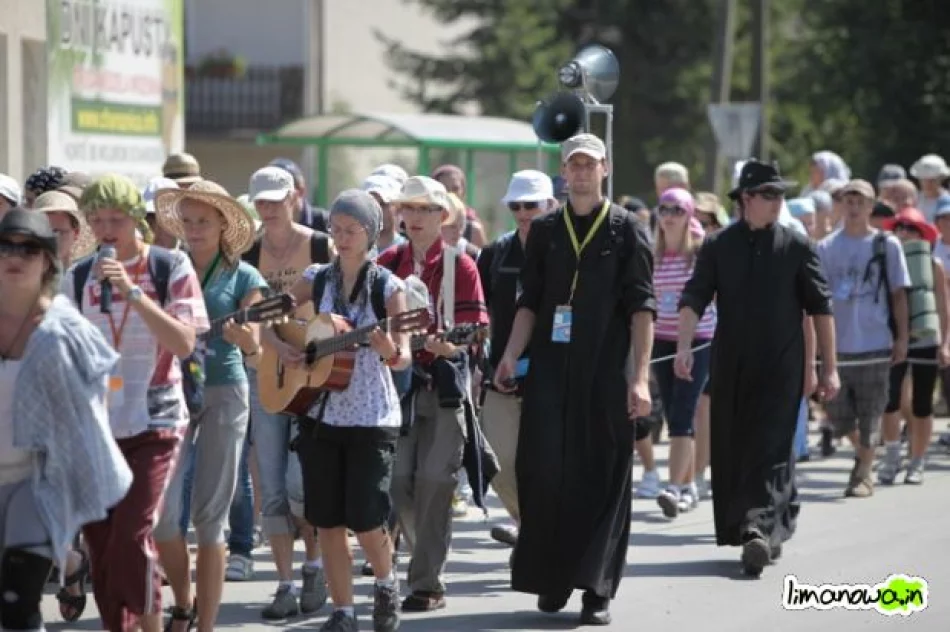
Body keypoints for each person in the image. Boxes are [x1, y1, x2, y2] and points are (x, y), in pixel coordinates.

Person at [494, 133, 656, 625]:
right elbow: (530, 303)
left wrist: (642, 378)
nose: (581, 172)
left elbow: (641, 308)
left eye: (590, 164)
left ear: (605, 169)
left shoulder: (627, 230)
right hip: (548, 372)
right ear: (563, 173)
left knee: (602, 476)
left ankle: (597, 589)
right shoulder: (544, 230)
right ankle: (552, 578)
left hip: (606, 373)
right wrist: (509, 356)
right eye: (574, 165)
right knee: (545, 474)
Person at [675, 160, 838, 577]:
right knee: (737, 448)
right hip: (731, 366)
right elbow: (694, 298)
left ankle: (757, 532)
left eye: (780, 193)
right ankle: (772, 522)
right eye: (769, 194)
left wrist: (826, 368)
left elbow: (820, 309)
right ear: (746, 199)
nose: (778, 200)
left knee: (769, 448)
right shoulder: (717, 246)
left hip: (783, 367)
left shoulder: (797, 245)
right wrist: (683, 347)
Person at [63, 174, 209, 632]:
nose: (107, 229)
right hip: (97, 425)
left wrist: (131, 291)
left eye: (117, 220)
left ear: (137, 222)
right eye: (98, 220)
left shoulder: (172, 267)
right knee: (103, 545)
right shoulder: (79, 277)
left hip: (156, 420)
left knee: (131, 536)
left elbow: (184, 342)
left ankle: (154, 621)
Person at [0, 209, 131, 632]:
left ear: (47, 262)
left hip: (39, 482)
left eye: (29, 248)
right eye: (5, 246)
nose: (14, 256)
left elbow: (106, 397)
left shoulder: (65, 331)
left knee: (17, 603)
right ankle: (72, 563)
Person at [288, 189, 410, 632]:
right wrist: (286, 346)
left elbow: (405, 356)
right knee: (327, 521)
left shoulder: (387, 287)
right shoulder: (317, 278)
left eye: (350, 230)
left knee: (365, 517)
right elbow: (277, 313)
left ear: (371, 233)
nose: (340, 238)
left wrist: (388, 348)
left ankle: (385, 580)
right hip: (321, 413)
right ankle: (343, 612)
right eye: (335, 229)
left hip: (371, 416)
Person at [151, 180, 267, 632]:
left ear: (223, 224)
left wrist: (246, 339)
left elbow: (255, 348)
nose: (194, 229)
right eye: (189, 221)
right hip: (168, 392)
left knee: (209, 520)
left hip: (225, 391)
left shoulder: (246, 278)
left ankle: (206, 626)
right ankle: (183, 600)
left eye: (204, 221)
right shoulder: (163, 269)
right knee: (162, 519)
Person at [377, 176, 490, 613]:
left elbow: (473, 333)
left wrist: (451, 344)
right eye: (410, 209)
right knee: (399, 481)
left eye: (426, 210)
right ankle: (425, 558)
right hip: (396, 388)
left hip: (442, 387)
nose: (417, 218)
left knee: (436, 481)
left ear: (443, 217)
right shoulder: (386, 261)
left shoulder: (461, 264)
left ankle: (427, 582)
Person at [476, 170, 556, 549]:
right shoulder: (494, 254)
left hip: (553, 376)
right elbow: (476, 314)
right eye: (516, 205)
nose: (524, 212)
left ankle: (536, 533)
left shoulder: (565, 253)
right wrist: (480, 363)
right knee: (496, 459)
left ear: (550, 205)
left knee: (543, 462)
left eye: (531, 205)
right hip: (501, 375)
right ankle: (529, 520)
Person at [817, 179, 911, 498]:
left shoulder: (887, 245)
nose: (854, 207)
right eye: (849, 201)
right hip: (838, 346)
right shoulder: (826, 247)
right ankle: (864, 453)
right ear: (841, 205)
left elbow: (899, 295)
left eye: (861, 202)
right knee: (839, 415)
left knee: (872, 412)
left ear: (872, 207)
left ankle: (863, 474)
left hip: (876, 342)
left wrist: (902, 339)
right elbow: (818, 300)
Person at [651, 188, 714, 518]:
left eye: (677, 209)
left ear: (689, 215)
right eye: (664, 209)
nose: (669, 215)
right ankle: (688, 486)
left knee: (683, 414)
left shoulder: (700, 255)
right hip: (662, 340)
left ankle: (673, 487)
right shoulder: (655, 257)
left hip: (699, 339)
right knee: (674, 412)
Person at [876, 208, 949, 485]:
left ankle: (918, 460)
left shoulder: (934, 265)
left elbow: (944, 309)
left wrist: (945, 344)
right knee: (890, 400)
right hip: (893, 340)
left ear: (922, 234)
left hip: (926, 341)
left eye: (910, 229)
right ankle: (893, 454)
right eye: (900, 228)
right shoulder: (886, 262)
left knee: (922, 404)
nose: (904, 233)